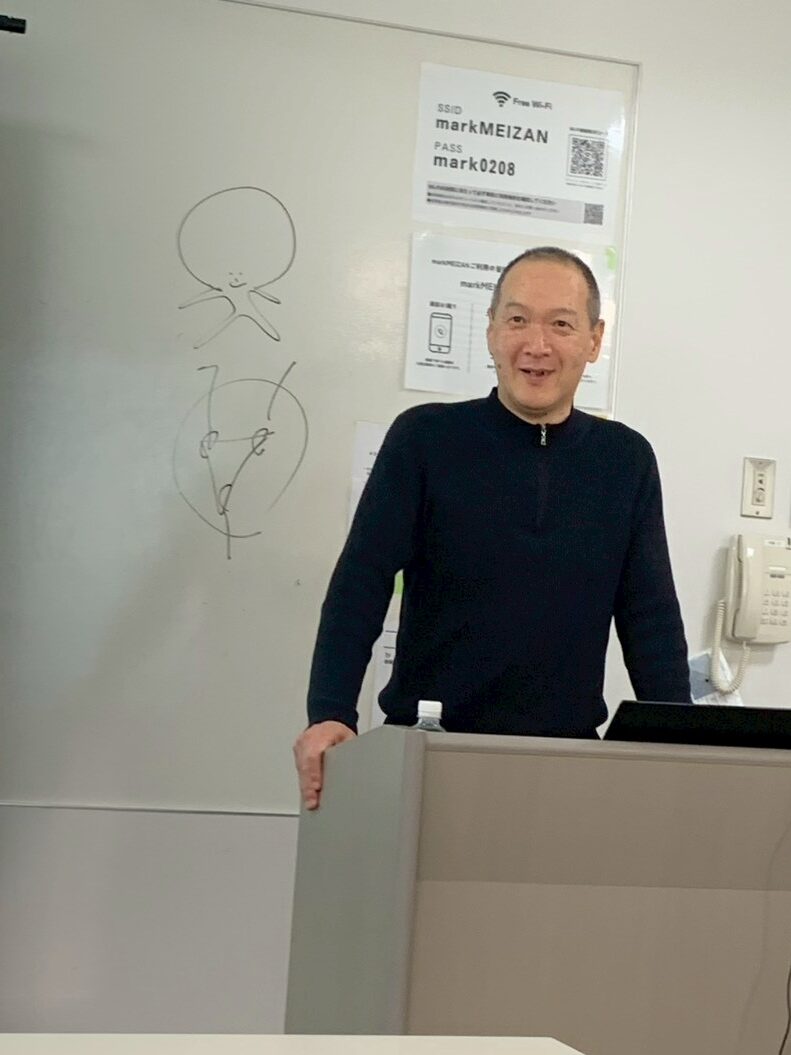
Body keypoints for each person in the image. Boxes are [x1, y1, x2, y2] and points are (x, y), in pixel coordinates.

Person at [293, 246, 690, 808]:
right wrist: (331, 712)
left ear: (594, 340)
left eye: (561, 324)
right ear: (490, 330)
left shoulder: (626, 461)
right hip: (428, 753)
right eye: (517, 319)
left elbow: (650, 617)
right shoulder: (425, 440)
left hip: (568, 763)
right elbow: (362, 581)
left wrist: (681, 745)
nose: (536, 345)